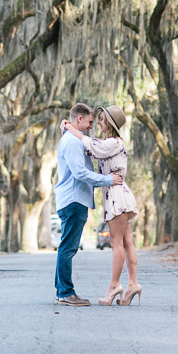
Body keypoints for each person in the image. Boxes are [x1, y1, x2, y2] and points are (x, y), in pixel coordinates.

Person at [62, 104, 142, 306]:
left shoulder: (113, 143)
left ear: (110, 123)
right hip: (118, 195)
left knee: (117, 243)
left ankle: (114, 286)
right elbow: (91, 151)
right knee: (126, 242)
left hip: (116, 195)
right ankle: (132, 284)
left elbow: (92, 146)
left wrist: (71, 128)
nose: (97, 123)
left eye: (100, 120)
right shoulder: (110, 143)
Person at [54, 102, 124, 306]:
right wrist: (109, 180)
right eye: (90, 122)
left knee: (66, 247)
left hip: (73, 199)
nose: (91, 126)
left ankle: (61, 291)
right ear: (79, 119)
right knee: (68, 247)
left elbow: (93, 146)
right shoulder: (73, 142)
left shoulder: (74, 139)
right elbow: (80, 173)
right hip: (74, 200)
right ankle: (66, 292)